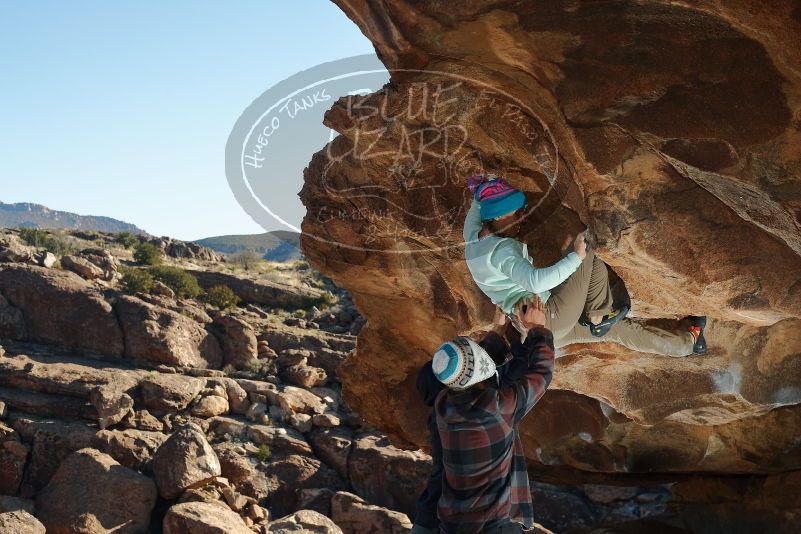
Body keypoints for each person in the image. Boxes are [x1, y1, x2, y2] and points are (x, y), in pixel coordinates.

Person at [463, 174, 707, 356]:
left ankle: (689, 342)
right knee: (589, 247)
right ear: (497, 217)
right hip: (549, 316)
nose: (523, 217)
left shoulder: (472, 236)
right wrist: (576, 256)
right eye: (518, 213)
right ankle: (599, 316)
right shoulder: (502, 251)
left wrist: (485, 186)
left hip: (534, 329)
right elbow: (535, 281)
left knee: (618, 329)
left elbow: (478, 203)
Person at [429, 296, 555, 533]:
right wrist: (538, 329)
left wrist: (497, 332)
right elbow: (541, 373)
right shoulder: (492, 407)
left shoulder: (444, 405)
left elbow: (470, 376)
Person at [411, 306, 523, 534]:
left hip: (432, 512)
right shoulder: (486, 411)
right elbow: (517, 374)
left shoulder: (441, 413)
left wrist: (496, 332)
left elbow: (477, 372)